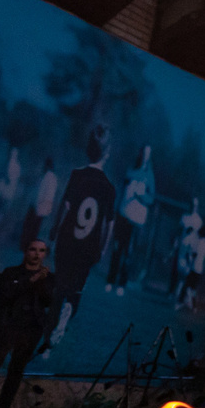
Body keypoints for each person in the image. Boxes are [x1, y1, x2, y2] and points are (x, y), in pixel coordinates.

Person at [48, 127, 116, 344]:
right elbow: (109, 223)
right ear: (108, 153)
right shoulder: (109, 187)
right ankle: (66, 314)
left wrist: (54, 228)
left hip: (68, 238)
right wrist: (103, 249)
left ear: (88, 149)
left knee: (60, 284)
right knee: (76, 288)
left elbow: (66, 205)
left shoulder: (77, 175)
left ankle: (50, 331)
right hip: (89, 245)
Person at [0, 240, 56, 408]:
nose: (36, 254)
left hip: (30, 330)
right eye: (33, 249)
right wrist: (32, 280)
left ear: (45, 254)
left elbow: (48, 301)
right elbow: (6, 295)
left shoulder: (49, 278)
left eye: (41, 251)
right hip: (7, 326)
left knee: (15, 372)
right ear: (26, 251)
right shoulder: (11, 273)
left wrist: (41, 282)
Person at [106, 145, 154, 295]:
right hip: (122, 214)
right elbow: (125, 181)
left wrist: (140, 196)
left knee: (128, 252)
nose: (144, 155)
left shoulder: (150, 176)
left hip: (135, 219)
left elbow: (151, 198)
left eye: (147, 153)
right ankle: (110, 280)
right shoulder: (131, 169)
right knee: (116, 249)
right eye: (143, 152)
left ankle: (122, 283)